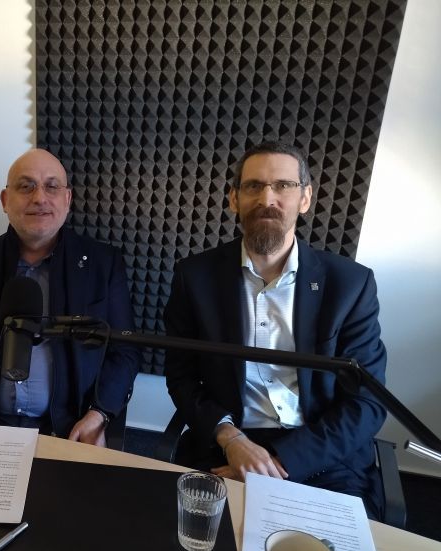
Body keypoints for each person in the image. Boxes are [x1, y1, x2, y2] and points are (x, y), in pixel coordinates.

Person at [164, 140, 387, 518]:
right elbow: (182, 377)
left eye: (283, 185)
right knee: (193, 543)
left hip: (321, 454)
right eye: (253, 186)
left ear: (305, 198)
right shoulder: (194, 277)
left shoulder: (350, 285)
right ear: (234, 199)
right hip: (226, 444)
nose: (267, 198)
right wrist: (231, 438)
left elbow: (367, 402)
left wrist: (279, 463)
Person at [0, 148, 140, 445]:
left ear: (67, 199)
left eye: (51, 186)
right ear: (5, 200)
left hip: (69, 429)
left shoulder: (103, 264)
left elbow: (125, 352)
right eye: (26, 186)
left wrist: (98, 415)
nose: (39, 198)